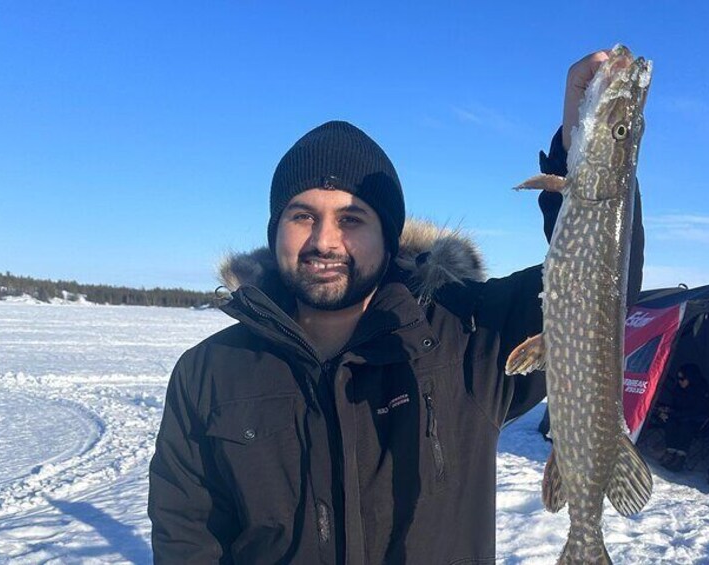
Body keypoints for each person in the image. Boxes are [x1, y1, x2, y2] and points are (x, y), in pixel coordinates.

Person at [148, 49, 645, 564]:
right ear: (274, 230)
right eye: (301, 216)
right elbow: (188, 537)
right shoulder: (207, 374)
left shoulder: (469, 337)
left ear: (388, 236)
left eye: (351, 219)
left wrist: (579, 150)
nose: (324, 241)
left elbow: (605, 292)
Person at [658, 363, 709, 472]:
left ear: (690, 378)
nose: (679, 381)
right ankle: (670, 451)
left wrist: (674, 413)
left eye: (682, 378)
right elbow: (677, 406)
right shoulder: (679, 389)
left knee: (686, 425)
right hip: (681, 416)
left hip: (700, 420)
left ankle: (680, 457)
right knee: (670, 422)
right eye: (678, 378)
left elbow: (697, 411)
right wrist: (667, 411)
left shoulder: (702, 390)